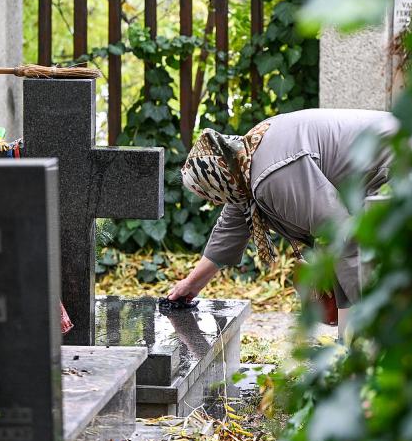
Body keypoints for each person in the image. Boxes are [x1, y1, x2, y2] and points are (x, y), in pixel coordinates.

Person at [167, 109, 397, 338]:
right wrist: (190, 286)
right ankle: (358, 344)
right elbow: (227, 235)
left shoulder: (270, 177)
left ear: (216, 182)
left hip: (397, 160)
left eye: (208, 195)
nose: (212, 202)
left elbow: (340, 232)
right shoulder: (243, 166)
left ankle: (377, 344)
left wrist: (365, 314)